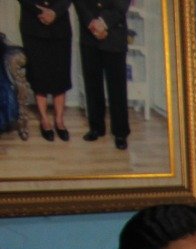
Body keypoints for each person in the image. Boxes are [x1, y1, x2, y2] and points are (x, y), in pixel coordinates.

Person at [73, 0, 129, 148]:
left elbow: (122, 4)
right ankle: (96, 127)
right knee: (92, 83)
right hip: (89, 35)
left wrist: (103, 23)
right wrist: (91, 22)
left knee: (117, 87)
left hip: (114, 33)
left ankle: (120, 132)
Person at [18, 1, 72, 142]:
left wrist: (54, 12)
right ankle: (44, 120)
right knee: (38, 72)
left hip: (60, 24)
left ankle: (59, 120)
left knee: (60, 72)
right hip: (33, 25)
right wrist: (40, 12)